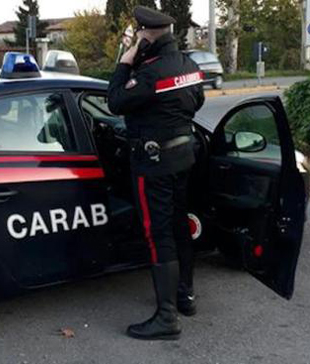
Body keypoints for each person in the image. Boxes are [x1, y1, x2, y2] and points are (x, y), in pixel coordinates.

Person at [107, 5, 205, 341]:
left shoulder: (149, 73)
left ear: (148, 37)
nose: (137, 40)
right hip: (184, 158)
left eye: (140, 36)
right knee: (180, 227)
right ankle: (185, 298)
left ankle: (167, 319)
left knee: (158, 234)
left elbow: (116, 101)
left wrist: (125, 60)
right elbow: (198, 102)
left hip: (155, 164)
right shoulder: (189, 66)